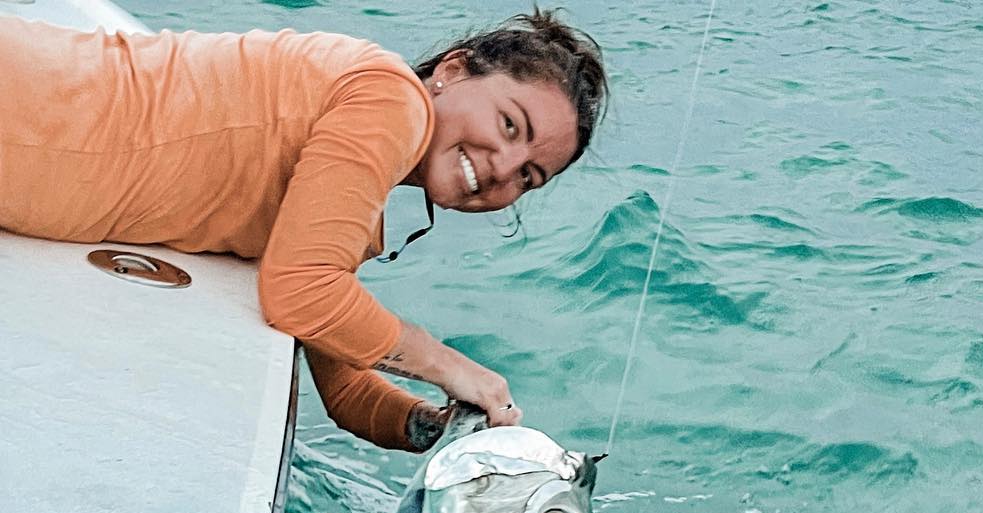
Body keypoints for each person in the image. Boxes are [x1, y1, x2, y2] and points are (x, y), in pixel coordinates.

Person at [0, 9, 607, 451]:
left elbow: (343, 388)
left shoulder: (350, 193)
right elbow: (300, 292)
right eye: (508, 125)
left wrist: (440, 424)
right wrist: (450, 364)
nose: (501, 169)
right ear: (452, 70)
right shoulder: (391, 101)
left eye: (529, 177)